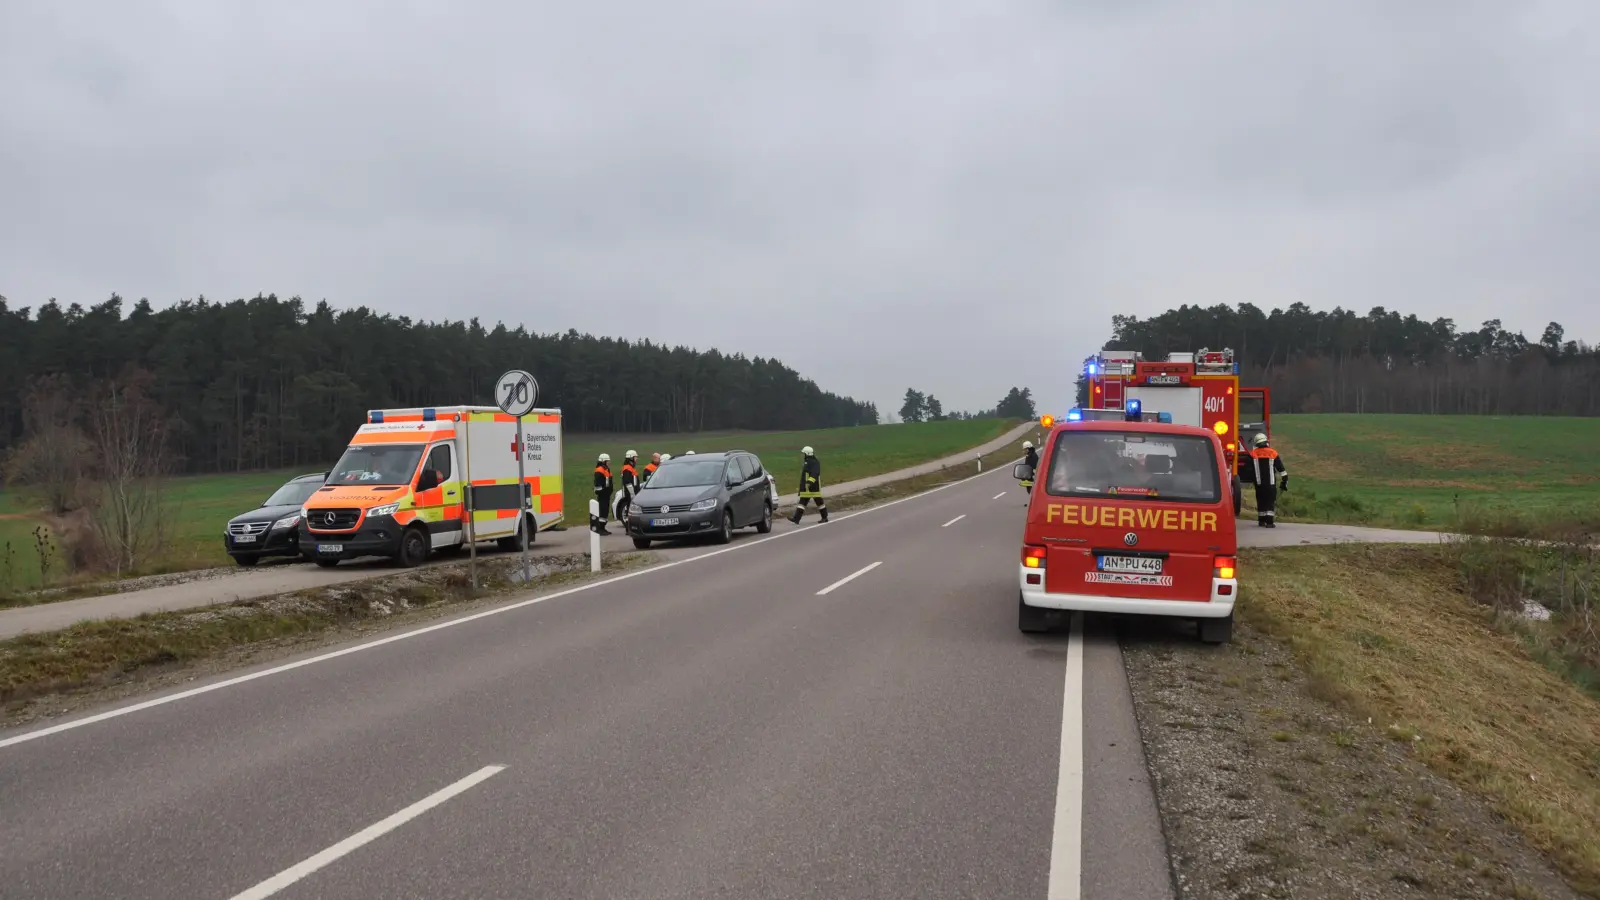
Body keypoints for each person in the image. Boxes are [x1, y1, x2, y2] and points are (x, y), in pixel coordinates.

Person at [1246, 433, 1286, 528]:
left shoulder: (1252, 454)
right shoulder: (1273, 453)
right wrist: (1284, 480)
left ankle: (1261, 520)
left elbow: (1248, 469)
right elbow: (1281, 468)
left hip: (1259, 484)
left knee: (1261, 501)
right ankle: (1269, 522)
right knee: (1270, 501)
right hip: (1270, 483)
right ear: (1266, 441)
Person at [790, 445, 828, 524]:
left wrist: (809, 482)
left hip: (813, 487)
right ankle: (796, 519)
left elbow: (815, 473)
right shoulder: (807, 462)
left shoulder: (814, 462)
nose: (803, 455)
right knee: (802, 503)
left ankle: (824, 517)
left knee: (819, 502)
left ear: (807, 454)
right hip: (807, 487)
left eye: (804, 453)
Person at [615, 450, 640, 532]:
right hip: (630, 494)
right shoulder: (627, 468)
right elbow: (627, 482)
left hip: (632, 493)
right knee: (630, 511)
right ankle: (628, 529)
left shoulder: (630, 468)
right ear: (631, 458)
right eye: (635, 457)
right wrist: (632, 493)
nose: (636, 459)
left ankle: (631, 528)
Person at [593, 452, 614, 535]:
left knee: (605, 511)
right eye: (608, 461)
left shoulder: (606, 469)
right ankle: (600, 528)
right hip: (602, 495)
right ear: (603, 461)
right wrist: (603, 492)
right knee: (602, 511)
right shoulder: (599, 470)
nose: (609, 462)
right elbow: (598, 484)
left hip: (606, 494)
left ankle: (603, 528)